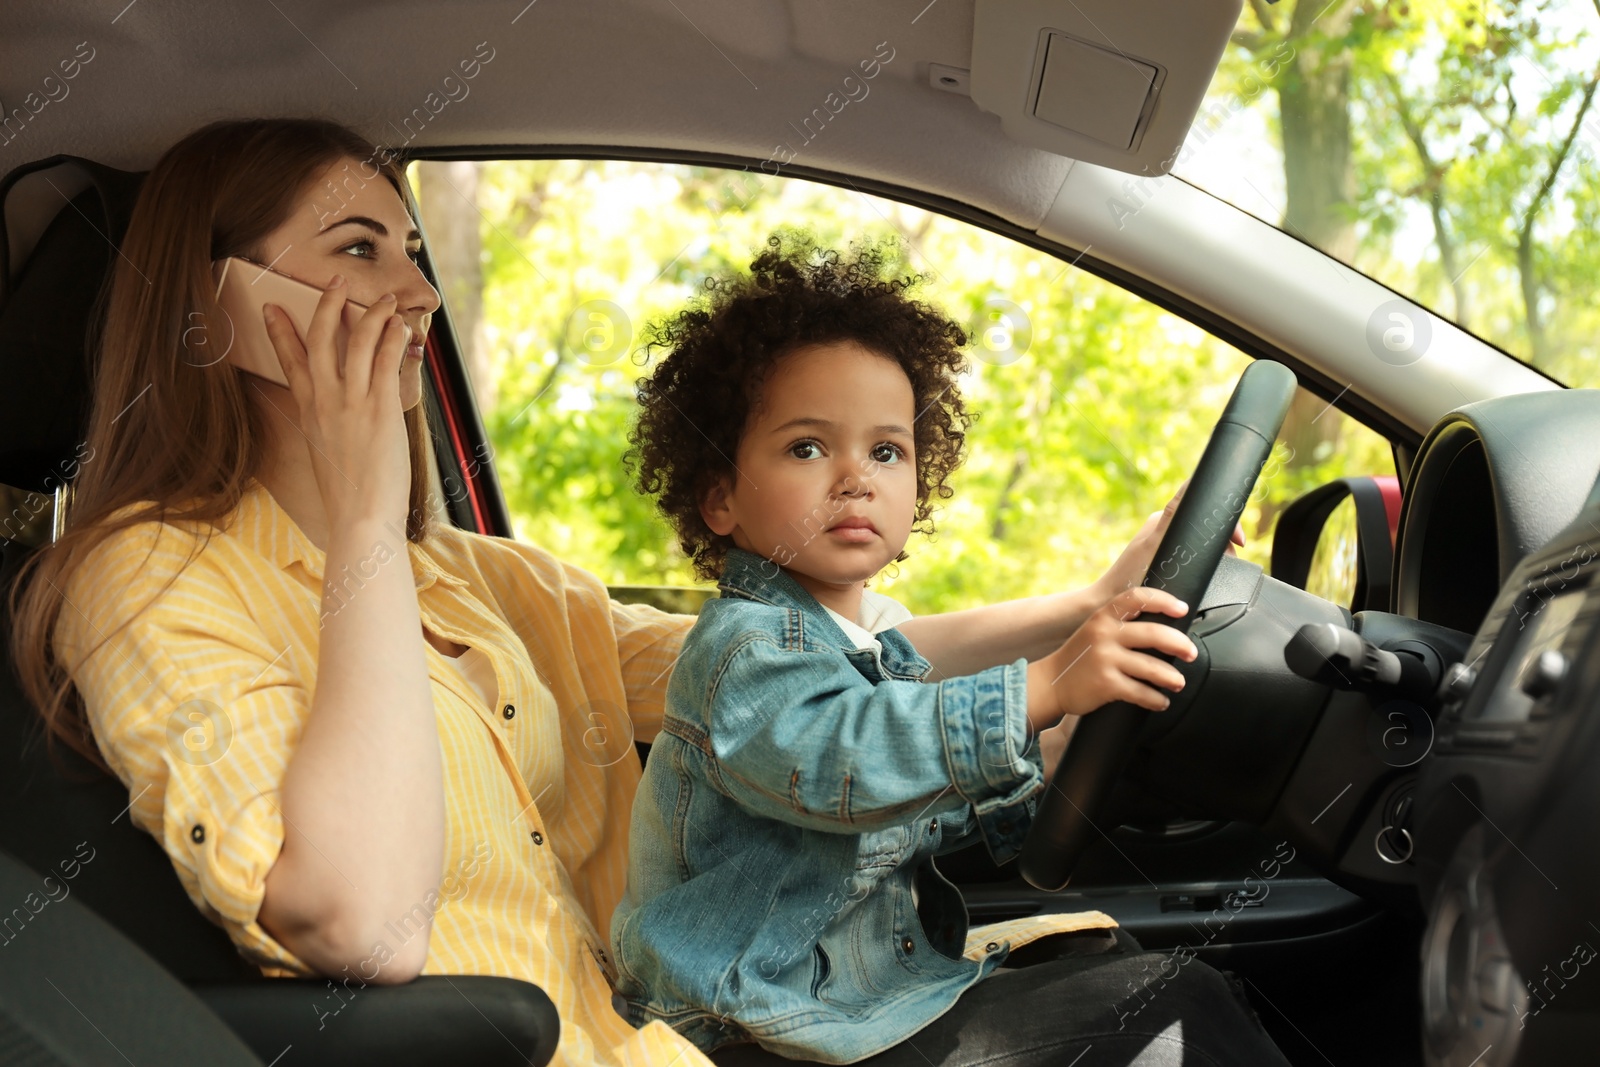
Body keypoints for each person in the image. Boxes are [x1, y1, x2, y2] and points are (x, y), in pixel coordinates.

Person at [0, 120, 1256, 1067]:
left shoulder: (494, 580)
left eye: (416, 250)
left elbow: (788, 671)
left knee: (1166, 993)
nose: (418, 294)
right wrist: (362, 514)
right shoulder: (145, 573)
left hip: (672, 1038)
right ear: (217, 314)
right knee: (1173, 1020)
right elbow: (363, 927)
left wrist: (1076, 608)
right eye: (359, 250)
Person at [615, 235, 1294, 1066]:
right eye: (807, 447)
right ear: (718, 496)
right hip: (748, 1029)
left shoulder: (855, 635)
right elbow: (850, 763)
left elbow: (923, 773)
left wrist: (1066, 720)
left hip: (846, 999)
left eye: (886, 449)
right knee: (1173, 1006)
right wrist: (1047, 685)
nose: (855, 476)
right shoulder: (742, 652)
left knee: (1114, 964)